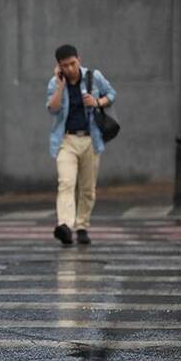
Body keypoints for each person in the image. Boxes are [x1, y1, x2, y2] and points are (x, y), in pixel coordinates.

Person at [46, 44, 116, 245]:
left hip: (91, 139)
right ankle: (65, 226)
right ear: (58, 66)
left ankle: (82, 226)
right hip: (66, 140)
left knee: (87, 188)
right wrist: (60, 86)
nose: (69, 69)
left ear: (79, 59)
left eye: (72, 63)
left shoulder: (93, 77)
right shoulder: (55, 82)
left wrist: (97, 102)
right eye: (64, 65)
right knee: (66, 183)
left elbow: (111, 94)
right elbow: (52, 109)